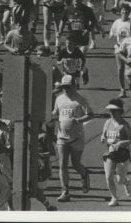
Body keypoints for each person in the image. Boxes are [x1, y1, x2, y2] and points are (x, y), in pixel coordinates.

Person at [50, 74, 93, 203]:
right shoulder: (59, 99)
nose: (66, 89)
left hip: (77, 137)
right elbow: (55, 114)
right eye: (64, 87)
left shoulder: (80, 100)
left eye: (68, 87)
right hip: (62, 137)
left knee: (75, 164)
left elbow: (90, 115)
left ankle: (84, 174)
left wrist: (78, 120)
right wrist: (49, 117)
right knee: (62, 164)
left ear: (74, 86)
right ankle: (65, 191)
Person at [99, 98, 131, 206]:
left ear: (120, 111)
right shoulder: (107, 122)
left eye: (114, 110)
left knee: (120, 180)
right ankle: (114, 198)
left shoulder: (124, 125)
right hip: (110, 151)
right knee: (109, 176)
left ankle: (126, 182)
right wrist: (102, 138)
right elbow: (104, 135)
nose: (111, 113)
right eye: (110, 110)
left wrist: (121, 143)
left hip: (123, 152)